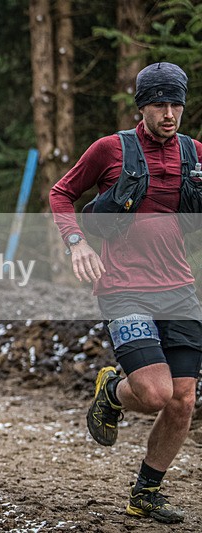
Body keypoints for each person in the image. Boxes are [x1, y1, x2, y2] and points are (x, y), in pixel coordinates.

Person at [50, 62, 202, 524]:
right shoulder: (109, 149)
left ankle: (146, 492)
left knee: (184, 400)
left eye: (176, 103)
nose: (170, 113)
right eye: (160, 104)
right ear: (142, 106)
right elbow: (61, 194)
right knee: (154, 394)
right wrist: (77, 244)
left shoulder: (195, 154)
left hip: (179, 289)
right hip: (123, 289)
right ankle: (113, 391)